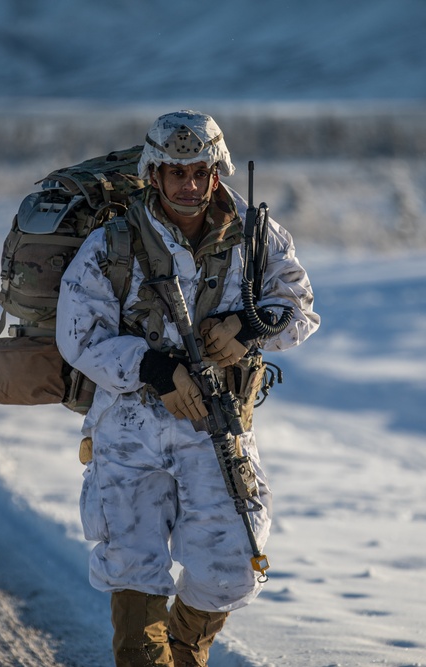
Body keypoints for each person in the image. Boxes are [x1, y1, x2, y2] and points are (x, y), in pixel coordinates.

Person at [55, 110, 320, 667]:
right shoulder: (113, 244)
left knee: (231, 564)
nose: (190, 185)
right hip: (131, 428)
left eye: (200, 171)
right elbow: (78, 336)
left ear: (218, 172)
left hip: (215, 426)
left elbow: (299, 308)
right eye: (177, 173)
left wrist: (249, 328)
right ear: (154, 174)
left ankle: (181, 653)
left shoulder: (257, 239)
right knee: (133, 564)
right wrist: (155, 370)